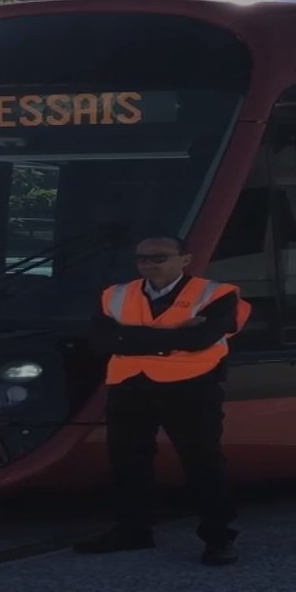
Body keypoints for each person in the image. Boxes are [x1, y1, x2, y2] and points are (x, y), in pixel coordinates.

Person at [73, 235, 251, 565]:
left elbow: (200, 338)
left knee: (202, 461)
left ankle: (218, 538)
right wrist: (172, 338)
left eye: (159, 257)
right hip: (128, 385)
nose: (149, 264)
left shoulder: (217, 294)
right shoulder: (116, 294)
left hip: (193, 386)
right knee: (127, 461)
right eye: (142, 258)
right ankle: (133, 530)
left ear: (185, 259)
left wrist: (128, 337)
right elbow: (98, 341)